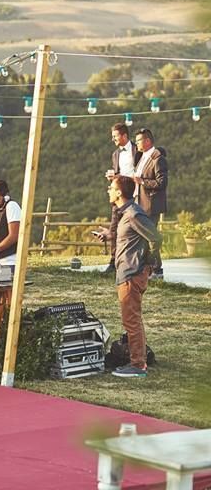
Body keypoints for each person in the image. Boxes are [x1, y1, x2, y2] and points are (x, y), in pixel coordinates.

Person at [95, 175, 160, 378]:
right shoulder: (126, 214)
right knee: (132, 320)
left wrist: (147, 265)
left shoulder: (133, 213)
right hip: (127, 273)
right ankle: (138, 360)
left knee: (131, 321)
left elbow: (155, 238)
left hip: (132, 274)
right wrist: (110, 235)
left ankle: (138, 365)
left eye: (111, 187)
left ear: (119, 192)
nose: (108, 190)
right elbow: (131, 236)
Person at [102, 124, 141, 275]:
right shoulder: (115, 154)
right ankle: (113, 262)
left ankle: (135, 262)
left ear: (124, 136)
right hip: (119, 197)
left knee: (135, 229)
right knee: (114, 228)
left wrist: (120, 177)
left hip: (136, 196)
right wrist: (113, 178)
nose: (113, 139)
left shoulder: (137, 151)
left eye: (115, 136)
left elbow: (141, 173)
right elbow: (118, 174)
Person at [133, 128, 168, 279]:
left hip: (151, 205)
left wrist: (142, 181)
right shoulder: (141, 157)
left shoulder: (158, 159)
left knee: (151, 238)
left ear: (147, 141)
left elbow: (162, 183)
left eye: (138, 140)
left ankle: (157, 270)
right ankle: (147, 269)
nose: (136, 143)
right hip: (139, 203)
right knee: (145, 238)